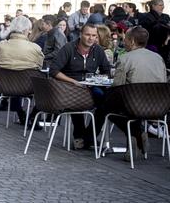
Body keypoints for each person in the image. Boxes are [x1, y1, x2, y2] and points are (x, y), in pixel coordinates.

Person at [105, 27, 167, 160]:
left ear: (132, 41)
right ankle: (137, 137)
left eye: (125, 40)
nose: (124, 42)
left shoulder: (125, 58)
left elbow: (118, 86)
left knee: (105, 107)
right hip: (159, 106)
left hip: (133, 105)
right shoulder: (158, 58)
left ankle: (136, 135)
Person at [50, 23, 111, 149]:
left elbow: (106, 70)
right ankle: (79, 136)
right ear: (81, 35)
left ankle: (89, 137)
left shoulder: (98, 50)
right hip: (70, 86)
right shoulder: (69, 48)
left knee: (105, 101)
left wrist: (98, 79)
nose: (91, 38)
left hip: (91, 86)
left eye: (94, 35)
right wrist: (72, 81)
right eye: (88, 35)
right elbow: (54, 70)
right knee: (76, 100)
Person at [0, 15, 45, 124]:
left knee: (13, 75)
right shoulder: (35, 48)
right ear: (27, 30)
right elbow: (40, 67)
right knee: (44, 82)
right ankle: (33, 116)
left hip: (5, 86)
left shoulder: (0, 46)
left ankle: (20, 113)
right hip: (27, 87)